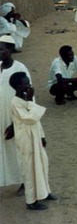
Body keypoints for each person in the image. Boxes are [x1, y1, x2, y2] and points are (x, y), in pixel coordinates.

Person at [7, 71, 58, 210]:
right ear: (18, 86)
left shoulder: (26, 98)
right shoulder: (15, 103)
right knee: (29, 169)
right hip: (26, 140)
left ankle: (45, 192)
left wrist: (42, 136)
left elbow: (37, 121)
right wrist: (30, 100)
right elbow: (30, 118)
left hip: (36, 137)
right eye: (26, 83)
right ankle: (31, 201)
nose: (29, 85)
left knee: (42, 163)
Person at [0, 35, 27, 190]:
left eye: (1, 48)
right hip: (0, 116)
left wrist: (15, 123)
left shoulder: (20, 69)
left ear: (9, 49)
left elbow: (28, 97)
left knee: (19, 149)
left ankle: (24, 181)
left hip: (14, 117)